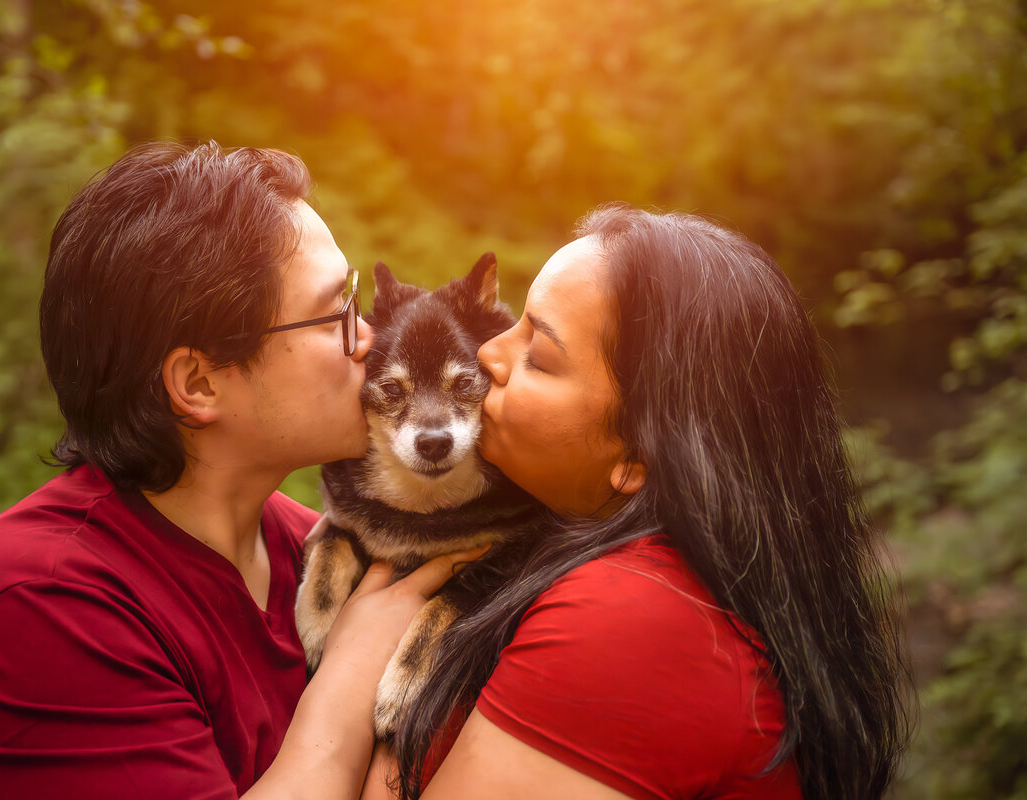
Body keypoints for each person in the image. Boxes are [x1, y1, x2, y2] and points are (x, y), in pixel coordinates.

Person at [0, 142, 484, 800]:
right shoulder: (37, 605)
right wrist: (353, 670)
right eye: (335, 310)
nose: (369, 336)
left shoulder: (320, 547)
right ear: (198, 384)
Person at [368, 204, 913, 800]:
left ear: (636, 457)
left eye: (539, 355)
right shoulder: (654, 577)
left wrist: (350, 673)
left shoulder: (631, 618)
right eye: (514, 324)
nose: (488, 355)